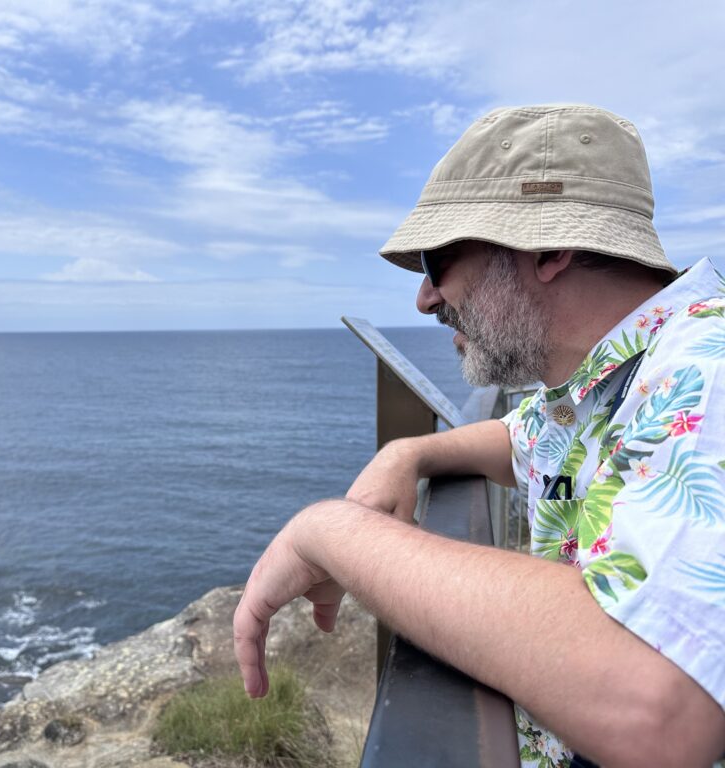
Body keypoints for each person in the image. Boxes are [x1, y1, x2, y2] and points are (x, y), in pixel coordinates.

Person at [233, 105, 725, 767]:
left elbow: (659, 712)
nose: (426, 299)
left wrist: (333, 533)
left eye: (437, 260)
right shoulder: (611, 378)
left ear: (550, 249)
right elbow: (522, 439)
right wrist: (408, 452)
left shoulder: (706, 372)